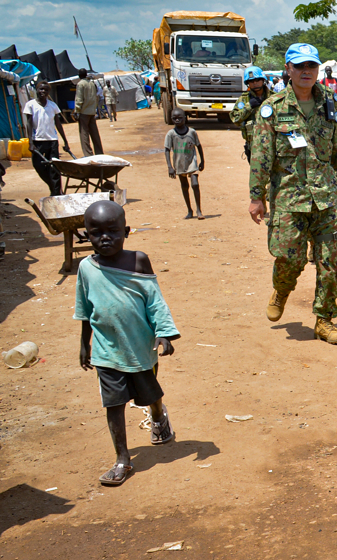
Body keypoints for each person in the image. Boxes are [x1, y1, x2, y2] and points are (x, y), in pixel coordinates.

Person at [248, 43, 337, 344]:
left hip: (326, 197)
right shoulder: (272, 109)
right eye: (299, 66)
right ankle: (282, 290)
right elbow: (261, 156)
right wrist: (256, 196)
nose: (306, 71)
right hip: (289, 200)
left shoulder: (330, 104)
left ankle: (324, 320)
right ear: (288, 69)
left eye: (311, 66)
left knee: (331, 260)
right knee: (290, 261)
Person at [75, 200, 180, 486]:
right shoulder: (85, 268)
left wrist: (164, 332)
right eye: (96, 232)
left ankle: (158, 416)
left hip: (139, 346)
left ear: (127, 231)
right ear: (85, 235)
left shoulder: (138, 261)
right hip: (106, 350)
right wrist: (85, 345)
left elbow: (155, 301)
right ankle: (123, 459)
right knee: (114, 403)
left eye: (113, 231)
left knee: (149, 394)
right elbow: (85, 309)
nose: (104, 238)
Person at [23, 80, 70, 197]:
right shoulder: (30, 105)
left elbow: (58, 124)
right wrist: (30, 142)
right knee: (38, 165)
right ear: (37, 90)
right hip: (37, 141)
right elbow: (29, 124)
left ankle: (56, 192)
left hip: (52, 141)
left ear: (49, 92)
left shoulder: (53, 106)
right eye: (41, 89)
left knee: (54, 168)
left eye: (46, 90)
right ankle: (53, 187)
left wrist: (65, 141)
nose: (43, 91)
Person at [164, 108, 205, 220]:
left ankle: (198, 209)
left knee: (195, 184)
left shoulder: (192, 132)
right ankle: (189, 210)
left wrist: (202, 161)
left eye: (180, 118)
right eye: (174, 118)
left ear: (185, 118)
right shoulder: (171, 134)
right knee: (184, 186)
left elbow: (199, 146)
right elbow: (167, 150)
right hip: (179, 163)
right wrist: (170, 167)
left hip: (192, 161)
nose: (177, 120)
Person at [230, 66, 270, 162]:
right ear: (248, 83)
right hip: (253, 146)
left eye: (257, 80)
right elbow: (235, 119)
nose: (255, 83)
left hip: (272, 145)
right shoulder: (243, 100)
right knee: (256, 175)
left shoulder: (273, 97)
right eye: (251, 81)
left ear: (263, 80)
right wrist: (248, 107)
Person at [74, 68, 103, 156]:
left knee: (84, 134)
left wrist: (77, 111)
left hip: (84, 112)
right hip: (92, 111)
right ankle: (99, 152)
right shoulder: (92, 83)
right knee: (95, 133)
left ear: (79, 75)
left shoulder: (80, 84)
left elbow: (79, 99)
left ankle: (88, 153)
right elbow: (96, 96)